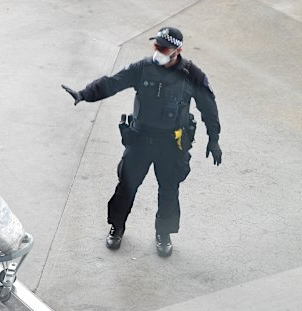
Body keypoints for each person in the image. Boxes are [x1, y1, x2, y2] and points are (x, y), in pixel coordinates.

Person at [61, 27, 222, 257]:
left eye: (163, 48)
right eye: (156, 46)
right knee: (126, 185)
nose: (158, 51)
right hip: (141, 140)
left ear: (177, 51)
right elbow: (112, 83)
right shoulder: (142, 68)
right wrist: (84, 94)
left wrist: (213, 139)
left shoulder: (192, 75)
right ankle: (117, 227)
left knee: (169, 190)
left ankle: (163, 234)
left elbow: (209, 108)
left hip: (172, 144)